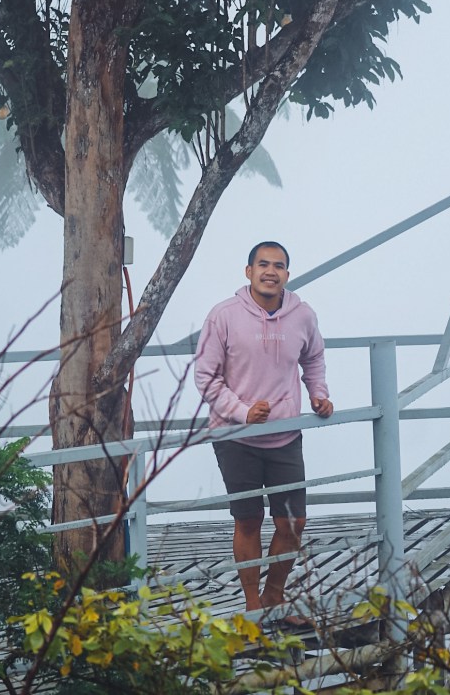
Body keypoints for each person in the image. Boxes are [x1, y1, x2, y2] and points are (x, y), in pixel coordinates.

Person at [194, 241, 333, 619]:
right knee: (248, 519)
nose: (271, 271)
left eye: (279, 266)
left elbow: (314, 358)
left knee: (293, 522)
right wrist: (241, 412)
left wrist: (318, 395)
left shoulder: (303, 315)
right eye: (263, 264)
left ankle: (274, 595)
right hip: (235, 438)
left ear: (287, 274)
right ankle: (252, 606)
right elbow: (205, 377)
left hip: (285, 435)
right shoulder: (223, 316)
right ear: (249, 271)